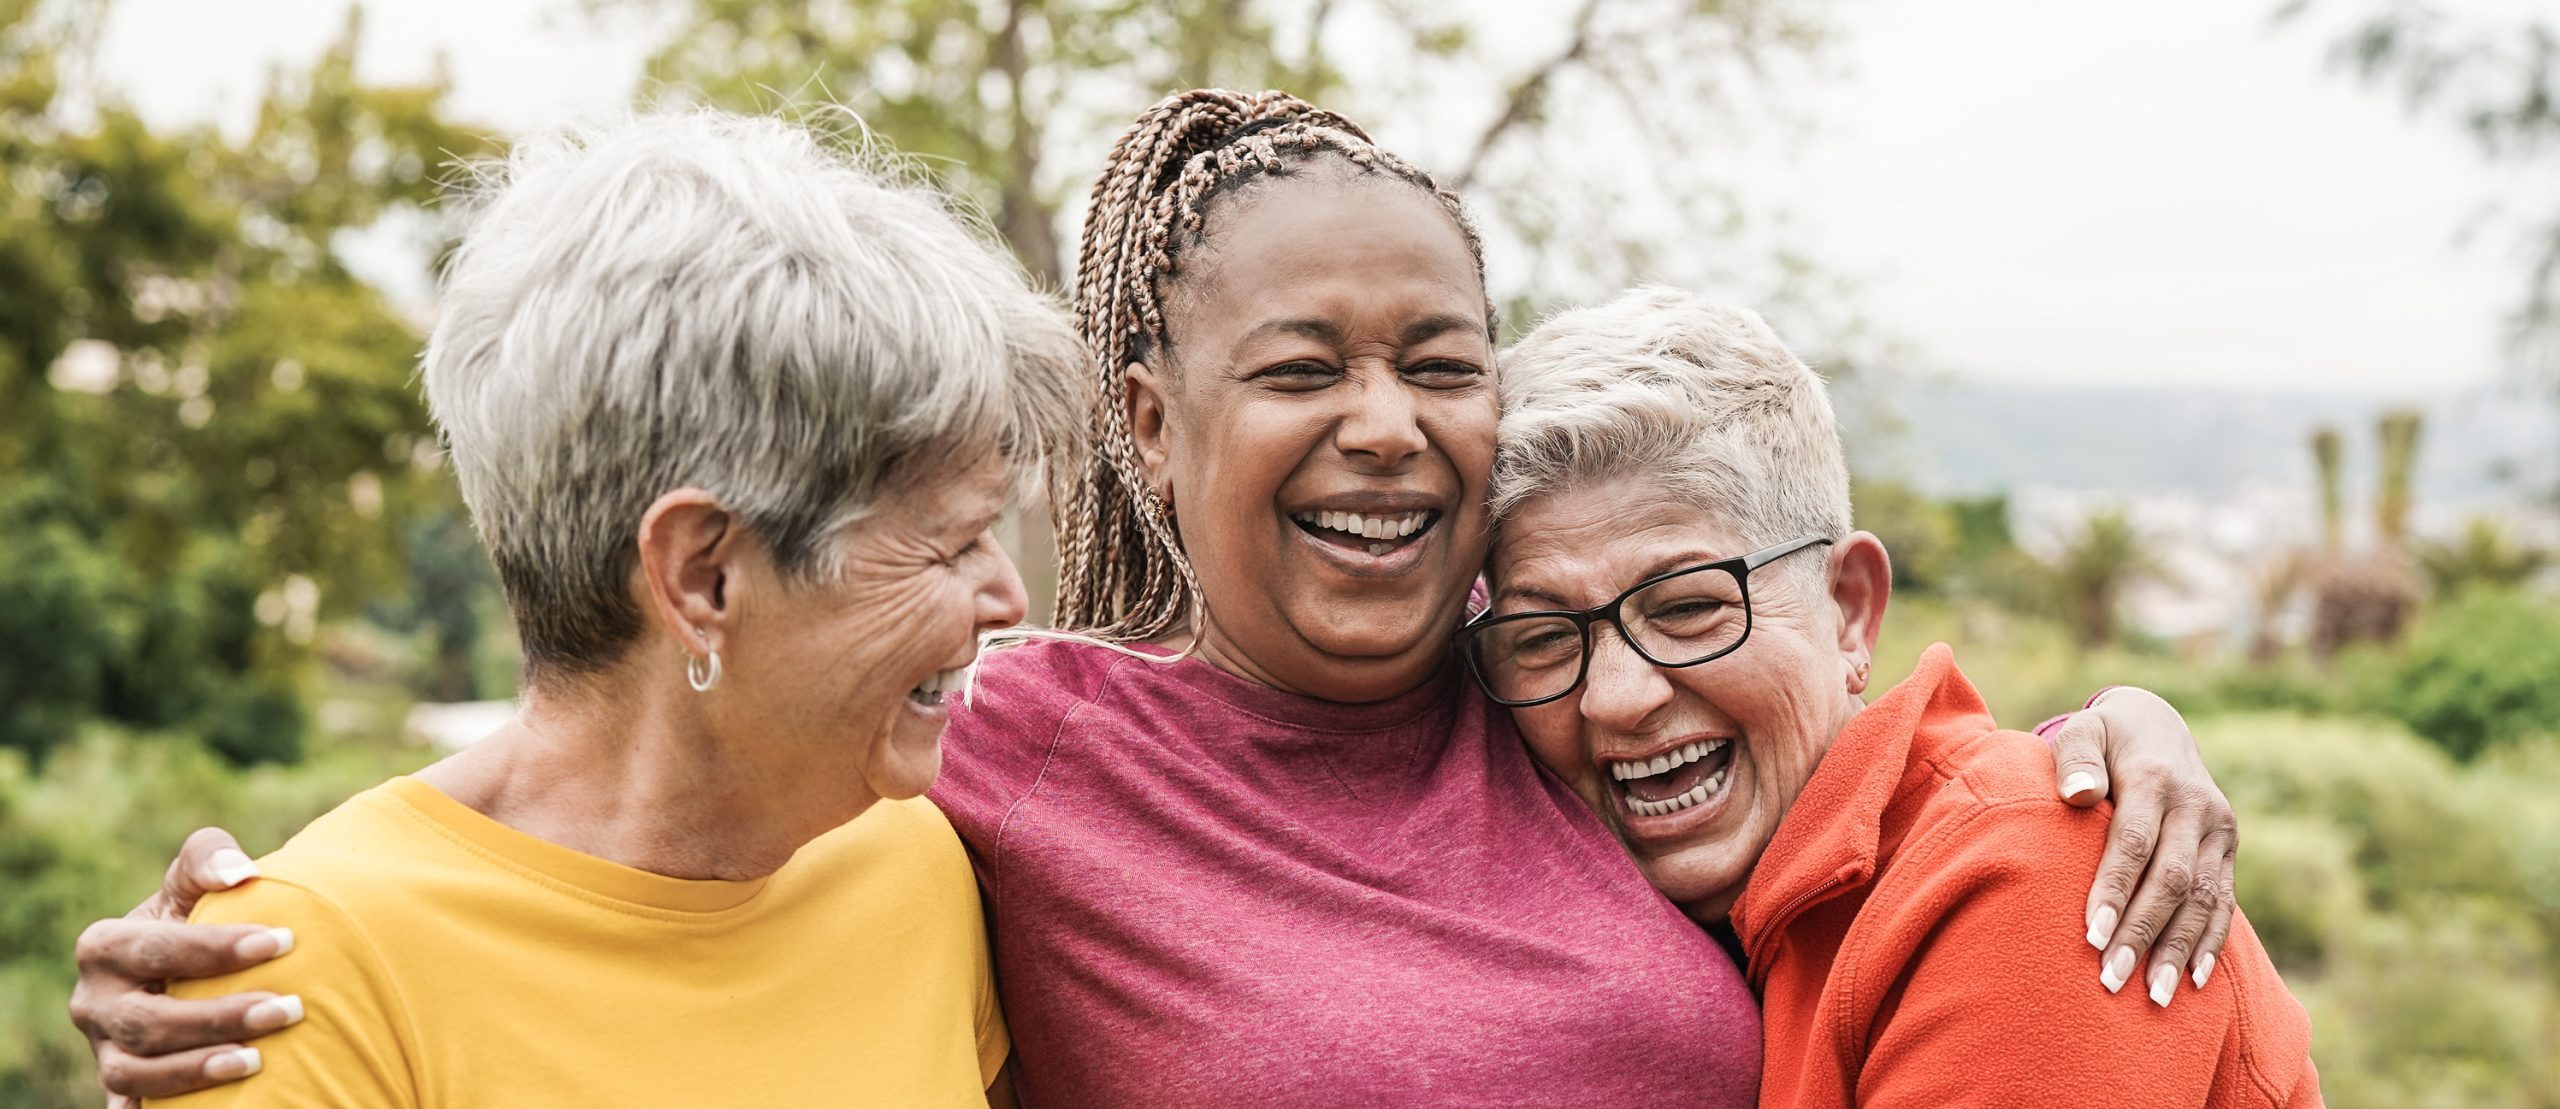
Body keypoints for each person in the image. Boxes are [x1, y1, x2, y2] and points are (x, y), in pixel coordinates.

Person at [76, 91, 2241, 1107]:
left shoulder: (1556, 701)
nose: (1385, 427)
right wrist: (275, 908)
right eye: (1298, 369)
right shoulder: (992, 754)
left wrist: (2104, 735)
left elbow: (1810, 740)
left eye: (1441, 364)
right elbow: (644, 761)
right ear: (1144, 415)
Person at [103, 109, 1085, 1106]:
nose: (1005, 594)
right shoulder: (305, 973)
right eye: (951, 540)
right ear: (703, 577)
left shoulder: (910, 854)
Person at [1468, 286, 2319, 1107]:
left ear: (1851, 610)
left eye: (1690, 607)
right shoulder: (1714, 896)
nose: (1613, 697)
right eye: (1544, 638)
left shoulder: (2021, 878)